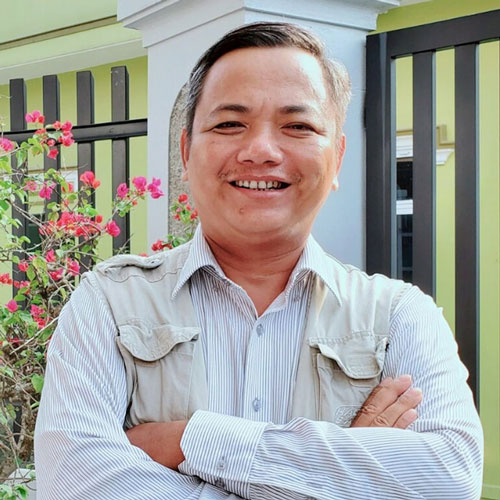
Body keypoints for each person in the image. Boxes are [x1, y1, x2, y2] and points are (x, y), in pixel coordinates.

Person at [35, 22, 483, 500]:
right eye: (230, 124)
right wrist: (341, 470)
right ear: (186, 152)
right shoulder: (109, 303)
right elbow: (74, 483)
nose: (262, 151)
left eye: (298, 126)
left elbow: (449, 479)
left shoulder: (399, 316)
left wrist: (190, 440)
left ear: (337, 158)